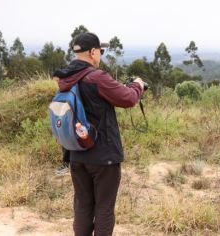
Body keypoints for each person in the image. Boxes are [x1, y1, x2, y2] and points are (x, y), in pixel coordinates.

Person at [53, 32, 145, 236]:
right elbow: (128, 98)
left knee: (83, 206)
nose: (101, 55)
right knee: (104, 208)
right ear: (93, 52)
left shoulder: (65, 78)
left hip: (76, 152)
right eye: (100, 51)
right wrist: (137, 85)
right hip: (104, 157)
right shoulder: (96, 76)